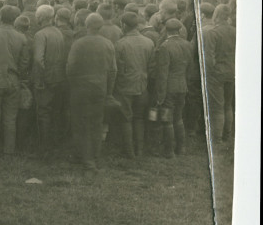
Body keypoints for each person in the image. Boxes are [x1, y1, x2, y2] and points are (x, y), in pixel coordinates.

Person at [66, 13, 117, 170]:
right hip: (99, 87)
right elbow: (113, 70)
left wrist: (73, 84)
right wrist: (109, 92)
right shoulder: (108, 44)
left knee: (79, 122)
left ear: (86, 25)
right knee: (95, 123)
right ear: (100, 27)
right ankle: (92, 156)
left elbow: (70, 67)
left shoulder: (78, 43)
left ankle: (84, 158)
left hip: (80, 88)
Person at [0, 5, 31, 155]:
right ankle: (9, 151)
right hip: (13, 79)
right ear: (14, 20)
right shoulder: (21, 37)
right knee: (10, 118)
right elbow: (25, 62)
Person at [112, 11, 155, 159]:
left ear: (123, 25)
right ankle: (140, 150)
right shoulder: (149, 42)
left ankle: (129, 151)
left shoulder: (120, 44)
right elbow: (151, 66)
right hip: (142, 85)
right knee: (139, 118)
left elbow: (116, 68)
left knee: (126, 118)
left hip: (125, 87)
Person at [152, 18, 195, 159]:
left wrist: (160, 95)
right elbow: (190, 68)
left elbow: (163, 74)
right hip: (182, 85)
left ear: (166, 30)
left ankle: (169, 151)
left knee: (167, 119)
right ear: (179, 30)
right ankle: (181, 148)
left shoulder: (165, 47)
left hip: (168, 88)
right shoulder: (188, 44)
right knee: (178, 118)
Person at [31, 4, 67, 151]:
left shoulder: (40, 35)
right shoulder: (58, 32)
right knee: (55, 112)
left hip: (45, 80)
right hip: (59, 77)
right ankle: (55, 144)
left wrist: (41, 78)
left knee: (43, 113)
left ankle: (44, 147)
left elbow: (39, 60)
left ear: (40, 17)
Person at [202, 4, 236, 144]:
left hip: (217, 73)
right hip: (231, 71)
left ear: (216, 15)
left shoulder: (213, 32)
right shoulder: (235, 31)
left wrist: (210, 72)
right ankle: (227, 136)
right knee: (228, 105)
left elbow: (209, 57)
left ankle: (217, 139)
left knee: (217, 107)